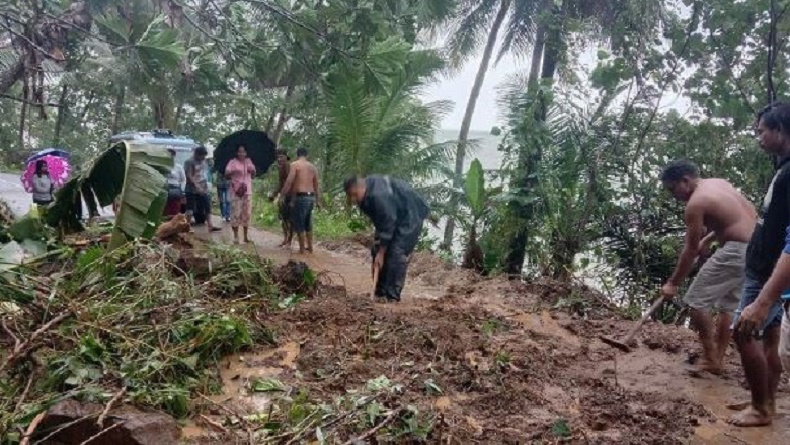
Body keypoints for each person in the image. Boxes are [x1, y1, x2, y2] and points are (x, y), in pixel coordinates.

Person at [725, 102, 790, 427]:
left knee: (743, 332)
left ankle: (760, 408)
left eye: (762, 131)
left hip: (768, 272)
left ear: (780, 131)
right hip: (766, 265)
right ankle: (768, 399)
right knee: (770, 338)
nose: (759, 137)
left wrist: (764, 299)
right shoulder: (783, 167)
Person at [659, 160, 757, 375]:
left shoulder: (695, 204)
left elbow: (690, 249)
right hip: (754, 248)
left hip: (735, 251)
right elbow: (745, 215)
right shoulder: (719, 183)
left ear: (685, 180)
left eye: (672, 189)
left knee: (696, 301)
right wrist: (710, 239)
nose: (673, 195)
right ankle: (716, 360)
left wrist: (672, 283)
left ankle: (711, 357)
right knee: (729, 307)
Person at [344, 175, 430, 302]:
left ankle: (392, 296)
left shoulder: (379, 195)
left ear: (361, 187)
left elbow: (388, 222)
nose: (353, 199)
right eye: (351, 196)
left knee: (396, 251)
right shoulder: (366, 195)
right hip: (394, 214)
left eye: (355, 195)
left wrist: (382, 252)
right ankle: (380, 292)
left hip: (410, 215)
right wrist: (379, 249)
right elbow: (381, 222)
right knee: (377, 250)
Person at [281, 147, 320, 254]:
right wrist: (318, 200)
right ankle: (310, 247)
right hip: (311, 197)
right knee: (308, 223)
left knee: (299, 223)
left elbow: (289, 181)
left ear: (297, 154)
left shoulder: (295, 165)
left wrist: (282, 195)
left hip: (301, 198)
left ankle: (302, 249)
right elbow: (316, 185)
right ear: (306, 155)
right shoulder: (312, 167)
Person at [225, 144, 256, 244]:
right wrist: (230, 171)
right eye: (239, 151)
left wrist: (253, 171)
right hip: (236, 192)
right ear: (236, 152)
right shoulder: (232, 162)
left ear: (246, 153)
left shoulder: (249, 161)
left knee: (247, 214)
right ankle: (235, 237)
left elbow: (253, 176)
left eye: (243, 151)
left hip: (247, 192)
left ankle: (246, 237)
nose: (241, 153)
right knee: (235, 213)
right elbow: (226, 174)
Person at [185, 146, 220, 233]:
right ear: (196, 154)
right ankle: (186, 226)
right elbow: (189, 175)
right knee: (190, 208)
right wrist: (196, 186)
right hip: (191, 189)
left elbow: (204, 173)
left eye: (204, 156)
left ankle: (210, 226)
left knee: (207, 206)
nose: (203, 158)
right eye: (202, 156)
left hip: (203, 187)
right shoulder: (189, 162)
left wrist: (204, 186)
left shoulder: (203, 161)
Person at [269, 150, 293, 247]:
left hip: (289, 196)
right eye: (278, 157)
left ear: (286, 157)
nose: (279, 159)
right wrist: (274, 194)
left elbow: (289, 182)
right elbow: (281, 183)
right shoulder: (281, 168)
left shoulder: (288, 166)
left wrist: (281, 195)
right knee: (284, 219)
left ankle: (289, 240)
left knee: (289, 219)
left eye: (281, 157)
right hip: (284, 195)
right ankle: (286, 239)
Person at [164, 148, 186, 218]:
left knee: (175, 207)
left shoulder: (178, 167)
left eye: (171, 155)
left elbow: (183, 179)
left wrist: (182, 190)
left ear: (174, 156)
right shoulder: (163, 166)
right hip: (164, 188)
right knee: (164, 207)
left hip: (175, 188)